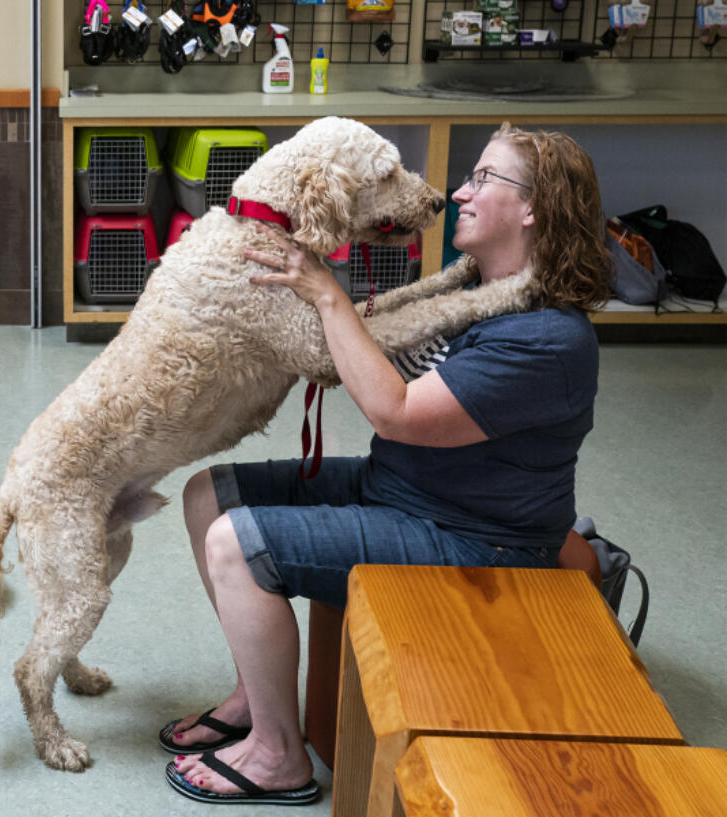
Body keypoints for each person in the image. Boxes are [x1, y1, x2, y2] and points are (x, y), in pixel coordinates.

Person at [161, 122, 615, 805]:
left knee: (235, 544)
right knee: (209, 495)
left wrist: (326, 293)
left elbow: (396, 411)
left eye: (484, 179)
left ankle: (278, 757)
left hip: (473, 538)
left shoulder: (546, 336)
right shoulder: (469, 292)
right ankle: (255, 697)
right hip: (400, 488)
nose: (461, 190)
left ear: (534, 208)